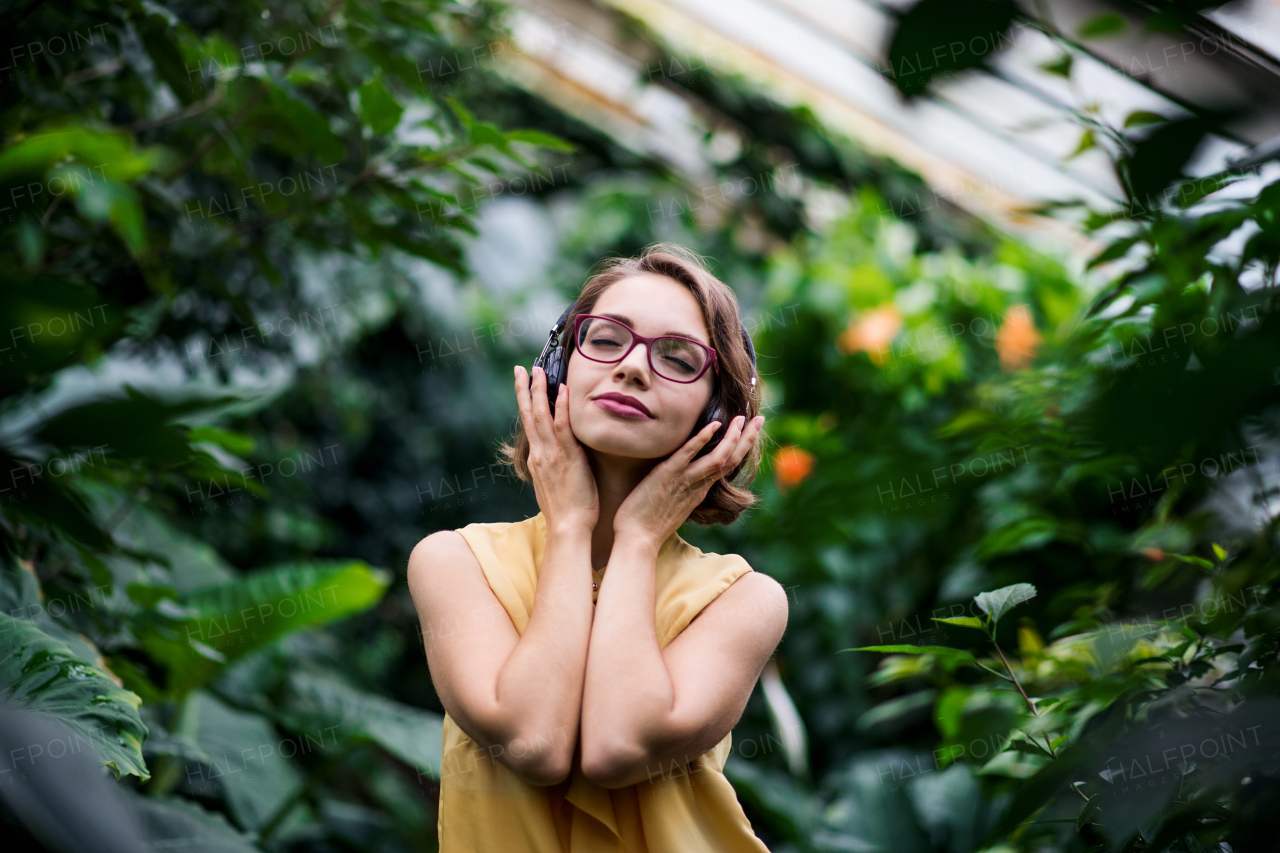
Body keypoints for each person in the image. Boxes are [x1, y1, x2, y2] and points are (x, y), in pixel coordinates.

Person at [407, 244, 790, 851]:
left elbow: (616, 748)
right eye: (607, 340)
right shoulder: (455, 564)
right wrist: (569, 528)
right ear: (559, 368)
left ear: (718, 412)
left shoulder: (742, 602)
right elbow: (534, 744)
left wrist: (638, 540)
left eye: (678, 357)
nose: (633, 367)